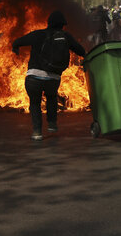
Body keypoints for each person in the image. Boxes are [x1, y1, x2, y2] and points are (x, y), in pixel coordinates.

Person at [11, 11, 86, 141]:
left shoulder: (37, 34)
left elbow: (18, 42)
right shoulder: (65, 37)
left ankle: (37, 132)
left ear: (49, 23)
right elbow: (81, 51)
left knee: (35, 104)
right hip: (53, 78)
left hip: (33, 77)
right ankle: (52, 124)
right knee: (51, 97)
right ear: (63, 25)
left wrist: (15, 48)